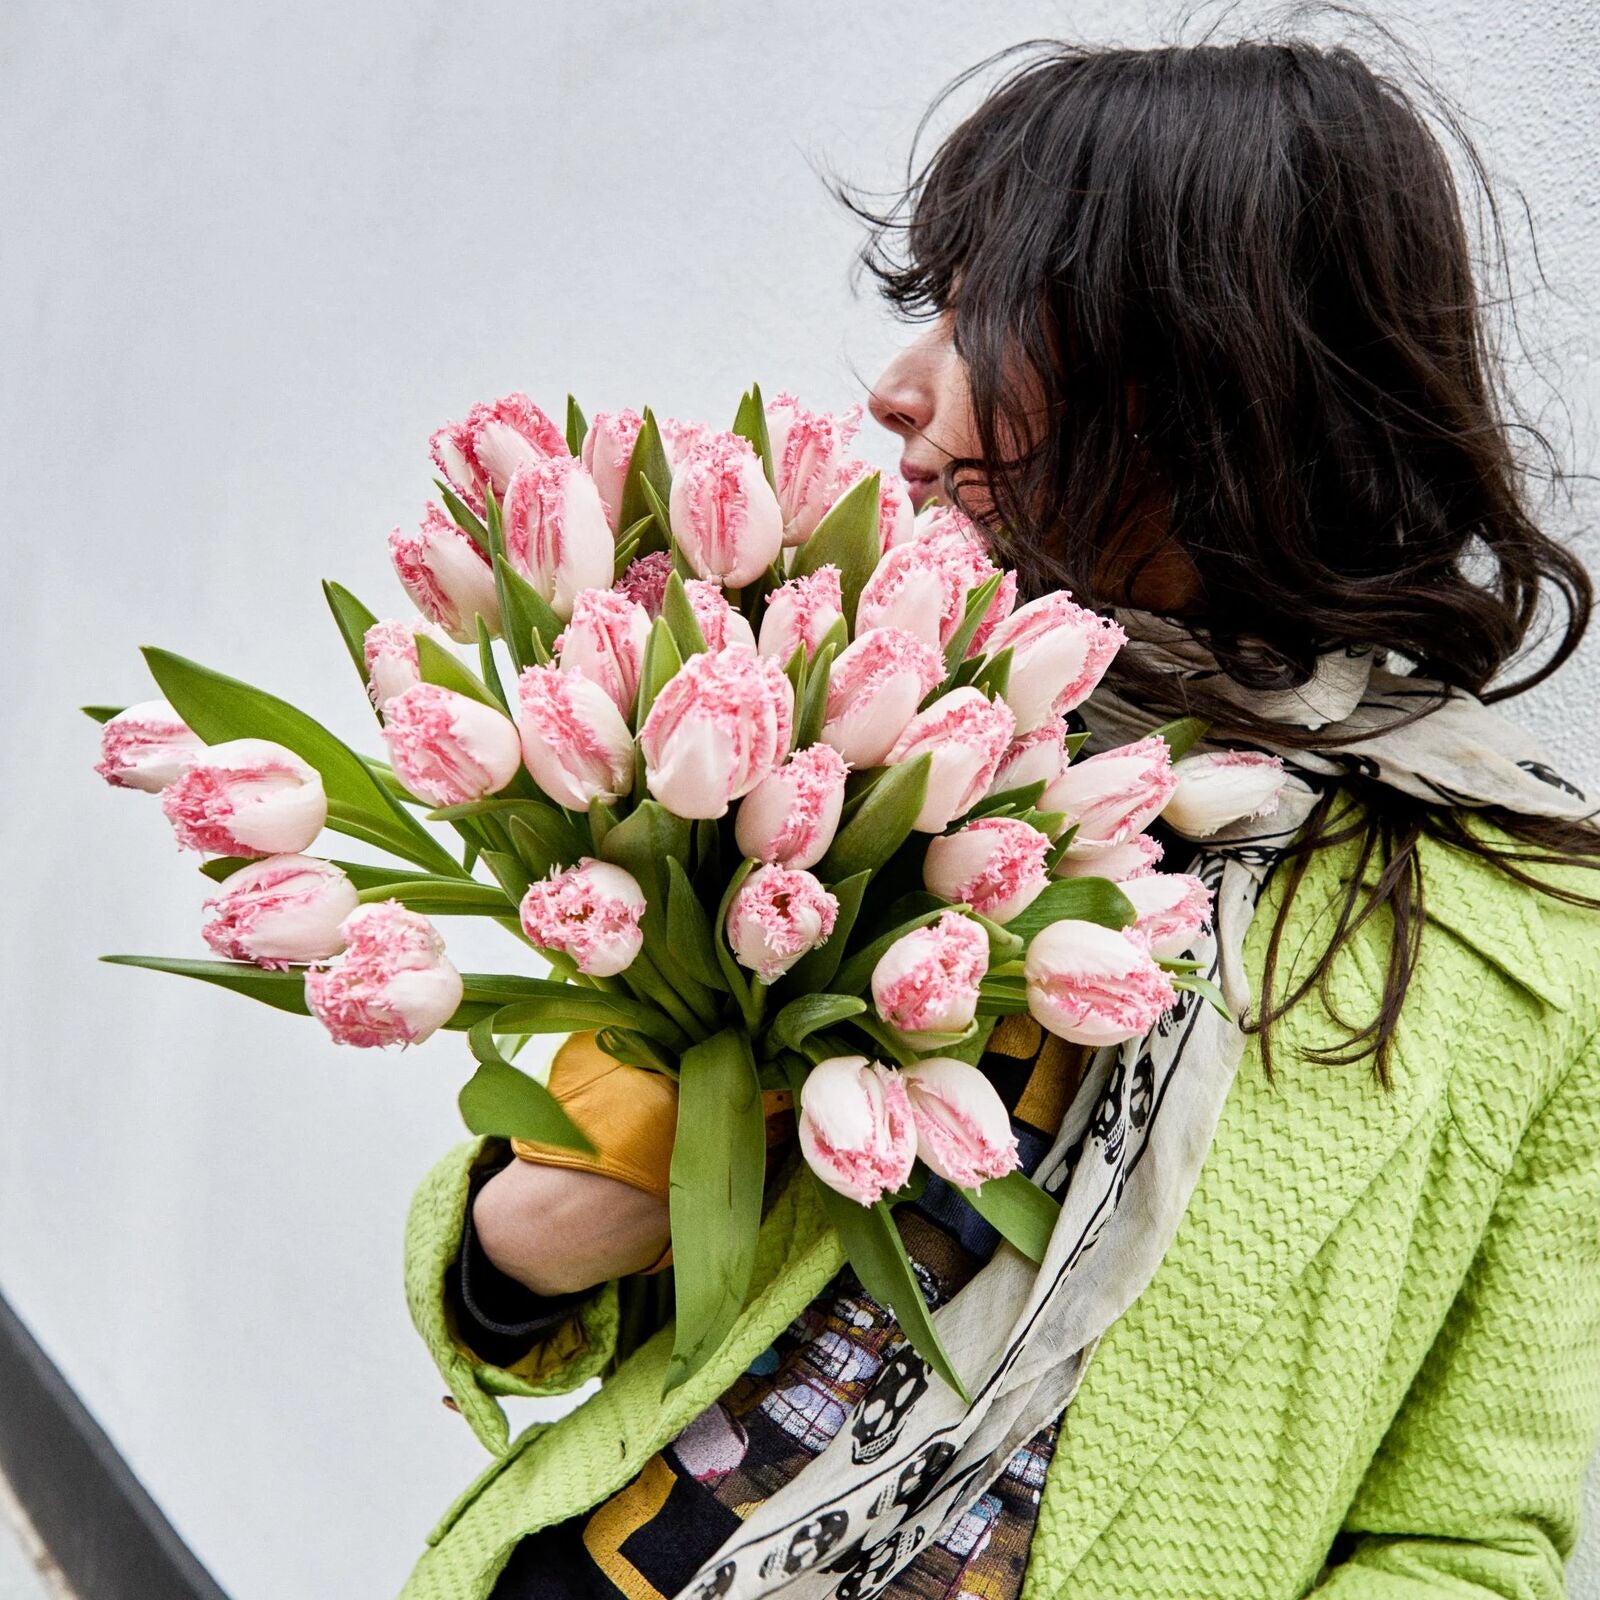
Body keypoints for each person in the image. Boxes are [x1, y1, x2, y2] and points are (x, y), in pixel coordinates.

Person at [398, 31, 1600, 1600]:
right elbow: (588, 1264)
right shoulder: (857, 727)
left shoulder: (1527, 947)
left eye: (983, 317)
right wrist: (513, 1251)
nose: (898, 390)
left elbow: (1467, 1544)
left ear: (1196, 373)